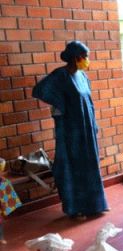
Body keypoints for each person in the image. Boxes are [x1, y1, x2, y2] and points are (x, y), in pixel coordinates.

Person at [32, 41, 108, 219]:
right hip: (70, 130)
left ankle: (95, 204)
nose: (87, 60)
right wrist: (60, 104)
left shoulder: (83, 76)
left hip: (86, 128)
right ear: (76, 58)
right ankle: (76, 207)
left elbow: (88, 102)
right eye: (85, 57)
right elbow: (40, 90)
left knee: (89, 163)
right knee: (73, 166)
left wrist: (94, 124)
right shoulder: (61, 76)